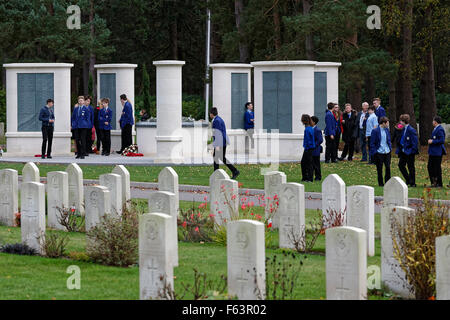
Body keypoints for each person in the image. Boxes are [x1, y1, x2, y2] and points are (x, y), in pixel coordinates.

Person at [210, 107, 240, 179]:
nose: (209, 115)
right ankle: (234, 171)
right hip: (222, 141)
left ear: (211, 114)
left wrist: (217, 145)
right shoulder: (218, 119)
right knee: (220, 157)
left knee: (216, 157)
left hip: (220, 142)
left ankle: (216, 174)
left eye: (210, 114)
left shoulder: (216, 121)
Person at [396, 114, 419, 187]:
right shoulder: (403, 129)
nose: (400, 122)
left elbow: (415, 142)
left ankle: (413, 182)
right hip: (403, 151)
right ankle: (408, 179)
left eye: (401, 121)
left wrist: (411, 151)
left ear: (404, 121)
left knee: (411, 167)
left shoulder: (411, 130)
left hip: (409, 151)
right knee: (401, 165)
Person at [370, 117, 392, 187]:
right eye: (387, 123)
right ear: (383, 123)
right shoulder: (375, 131)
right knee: (379, 169)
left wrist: (390, 148)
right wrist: (375, 152)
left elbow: (388, 140)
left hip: (387, 152)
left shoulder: (387, 130)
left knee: (388, 167)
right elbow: (372, 143)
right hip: (379, 152)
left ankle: (388, 182)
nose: (388, 124)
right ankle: (381, 183)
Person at [428, 116, 446, 188]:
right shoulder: (435, 129)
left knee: (437, 168)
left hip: (437, 152)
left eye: (433, 121)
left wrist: (433, 141)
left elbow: (442, 140)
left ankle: (439, 183)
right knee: (430, 167)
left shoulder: (440, 129)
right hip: (432, 152)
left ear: (435, 121)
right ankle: (433, 182)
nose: (432, 122)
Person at [301, 114, 315, 182]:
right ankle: (306, 177)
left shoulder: (307, 129)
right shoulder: (310, 128)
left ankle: (308, 178)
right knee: (307, 163)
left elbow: (308, 140)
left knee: (307, 163)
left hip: (308, 148)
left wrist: (306, 148)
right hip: (310, 147)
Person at [311, 116, 323, 181]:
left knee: (316, 164)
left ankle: (318, 177)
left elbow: (320, 140)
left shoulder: (317, 130)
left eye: (311, 121)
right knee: (311, 164)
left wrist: (313, 145)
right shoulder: (310, 129)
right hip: (310, 150)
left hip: (315, 150)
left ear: (314, 122)